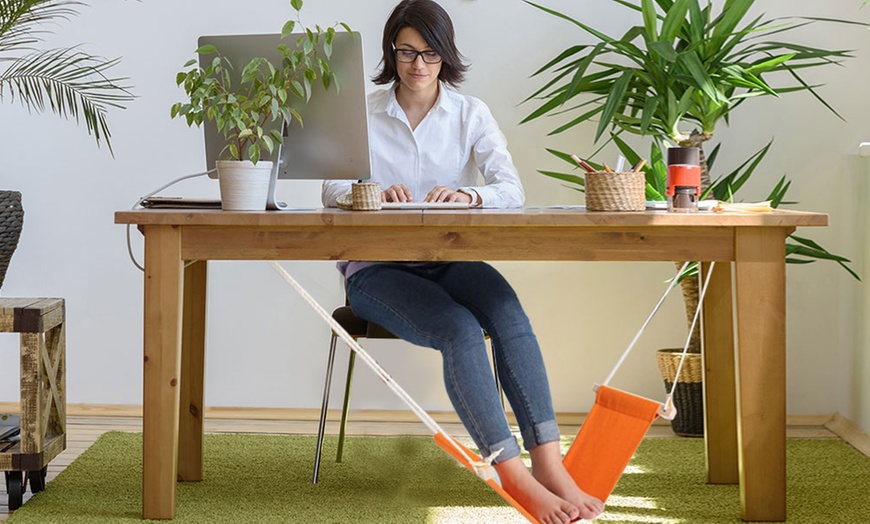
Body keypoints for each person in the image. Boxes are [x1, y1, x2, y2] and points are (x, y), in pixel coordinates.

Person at [322, 1, 604, 522]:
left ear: (445, 55)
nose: (417, 65)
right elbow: (331, 187)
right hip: (377, 269)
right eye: (406, 52)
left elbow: (510, 190)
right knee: (460, 329)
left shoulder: (470, 113)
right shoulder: (362, 113)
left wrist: (469, 196)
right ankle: (513, 475)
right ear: (392, 53)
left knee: (509, 317)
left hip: (449, 259)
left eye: (429, 52)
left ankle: (549, 464)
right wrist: (371, 191)